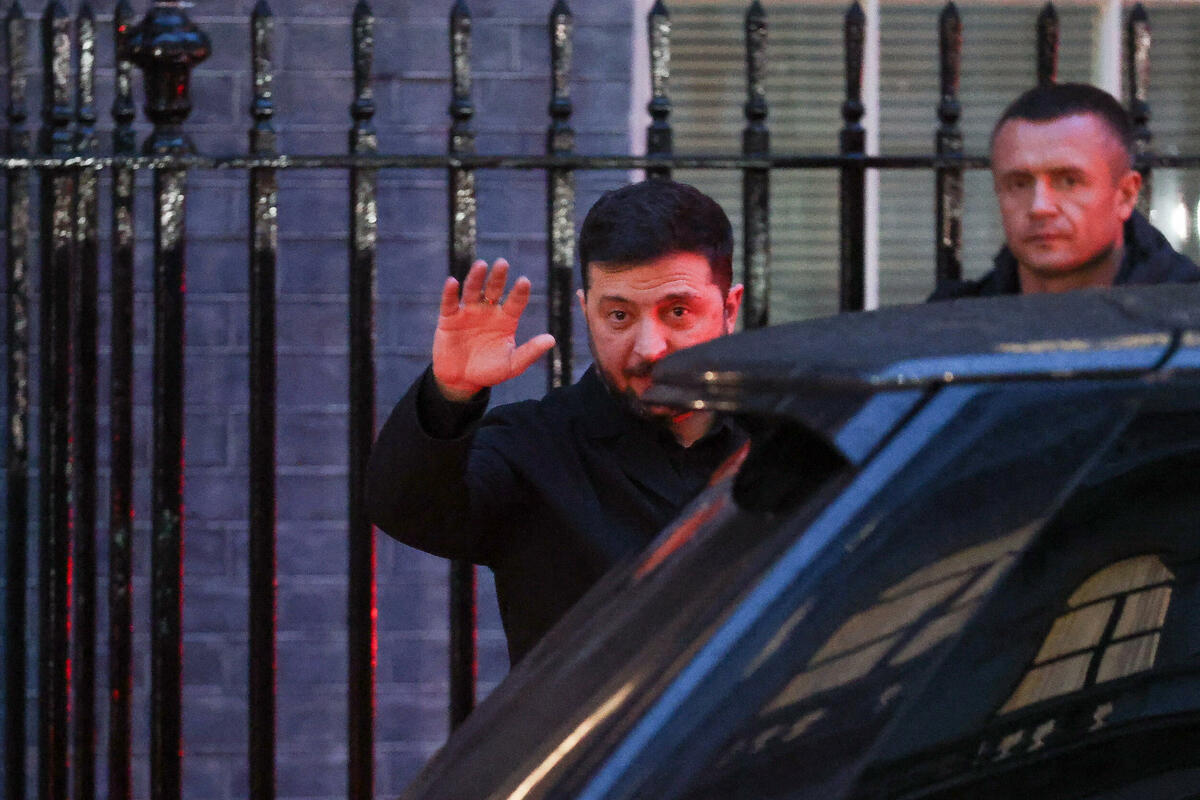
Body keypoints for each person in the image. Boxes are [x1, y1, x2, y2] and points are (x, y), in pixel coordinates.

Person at [366, 180, 746, 664]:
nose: (648, 347)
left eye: (677, 311)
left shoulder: (788, 440)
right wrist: (451, 392)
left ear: (728, 309)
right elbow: (407, 509)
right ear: (586, 311)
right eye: (619, 316)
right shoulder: (533, 447)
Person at [930, 82, 1199, 299]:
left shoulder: (1189, 317)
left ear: (1126, 195)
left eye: (1069, 181)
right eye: (1019, 184)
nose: (1040, 207)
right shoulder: (952, 325)